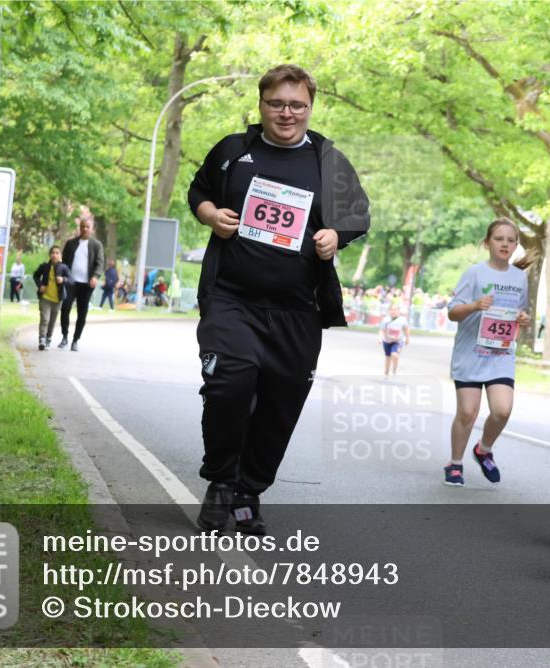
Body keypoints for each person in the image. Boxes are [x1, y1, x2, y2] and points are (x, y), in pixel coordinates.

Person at [187, 63, 369, 534]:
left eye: (297, 105)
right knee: (229, 385)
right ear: (261, 104)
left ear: (310, 107)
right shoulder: (233, 151)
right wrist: (210, 215)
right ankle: (221, 482)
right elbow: (199, 192)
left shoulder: (329, 162)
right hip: (232, 298)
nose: (287, 113)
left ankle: (249, 490)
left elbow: (357, 216)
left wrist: (335, 235)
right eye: (277, 104)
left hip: (298, 309)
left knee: (279, 405)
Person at [443, 218, 531, 486]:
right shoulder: (474, 273)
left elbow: (520, 312)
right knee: (467, 413)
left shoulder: (520, 278)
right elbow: (452, 312)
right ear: (487, 243)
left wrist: (523, 319)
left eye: (511, 240)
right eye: (499, 239)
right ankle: (455, 464)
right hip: (471, 353)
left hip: (500, 355)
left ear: (515, 245)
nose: (505, 244)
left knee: (502, 410)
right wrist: (475, 305)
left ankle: (483, 449)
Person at [59, 212, 104, 352]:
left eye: (87, 227)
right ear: (80, 228)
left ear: (91, 229)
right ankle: (64, 337)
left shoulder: (96, 245)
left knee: (82, 313)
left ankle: (75, 340)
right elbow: (64, 262)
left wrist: (95, 276)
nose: (85, 229)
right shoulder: (71, 243)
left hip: (86, 285)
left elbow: (100, 264)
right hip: (70, 283)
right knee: (65, 308)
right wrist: (62, 276)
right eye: (82, 226)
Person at [33, 246, 71, 350]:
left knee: (52, 321)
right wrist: (40, 285)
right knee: (45, 319)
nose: (54, 255)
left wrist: (63, 279)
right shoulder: (45, 266)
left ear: (60, 256)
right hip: (45, 298)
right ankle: (42, 339)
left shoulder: (64, 268)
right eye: (53, 253)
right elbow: (35, 275)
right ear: (50, 255)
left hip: (57, 300)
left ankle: (48, 338)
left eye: (57, 253)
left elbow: (71, 280)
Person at [379, 302, 410, 377]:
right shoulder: (386, 320)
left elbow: (406, 329)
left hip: (398, 341)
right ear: (389, 311)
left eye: (395, 310)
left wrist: (407, 339)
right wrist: (380, 338)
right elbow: (382, 330)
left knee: (394, 354)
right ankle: (386, 372)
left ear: (399, 311)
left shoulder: (402, 320)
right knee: (388, 357)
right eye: (392, 310)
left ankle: (394, 369)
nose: (393, 311)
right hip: (387, 341)